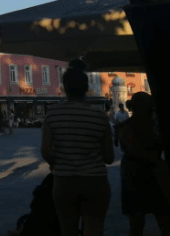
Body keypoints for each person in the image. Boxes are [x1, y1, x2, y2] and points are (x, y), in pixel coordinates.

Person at [41, 59, 114, 236]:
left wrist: (57, 162)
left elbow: (46, 151)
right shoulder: (99, 116)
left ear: (65, 87)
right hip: (95, 181)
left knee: (68, 230)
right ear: (86, 87)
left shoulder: (53, 113)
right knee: (94, 229)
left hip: (64, 181)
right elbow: (109, 157)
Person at [119, 92, 170, 236]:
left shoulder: (126, 126)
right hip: (150, 175)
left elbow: (132, 149)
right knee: (163, 220)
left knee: (138, 222)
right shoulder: (156, 127)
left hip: (135, 176)